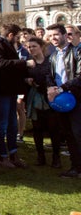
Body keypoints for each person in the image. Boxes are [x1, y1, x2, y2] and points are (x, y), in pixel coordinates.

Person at [0, 23, 35, 169]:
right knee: (2, 124)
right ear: (10, 35)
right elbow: (2, 63)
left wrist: (24, 78)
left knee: (12, 123)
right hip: (1, 92)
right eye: (17, 37)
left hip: (10, 90)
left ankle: (13, 153)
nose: (18, 40)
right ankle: (2, 156)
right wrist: (25, 63)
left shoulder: (7, 45)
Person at [45, 23, 81, 178]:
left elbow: (80, 77)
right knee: (68, 134)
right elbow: (49, 76)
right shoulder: (53, 56)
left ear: (66, 35)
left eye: (56, 34)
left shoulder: (77, 52)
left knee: (78, 133)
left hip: (76, 99)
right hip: (60, 102)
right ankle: (75, 167)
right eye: (51, 35)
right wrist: (50, 88)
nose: (53, 38)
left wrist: (62, 88)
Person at [23, 36, 59, 167]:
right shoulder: (28, 63)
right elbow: (23, 79)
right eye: (29, 47)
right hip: (35, 99)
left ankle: (56, 157)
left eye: (34, 46)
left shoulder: (50, 61)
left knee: (53, 128)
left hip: (49, 98)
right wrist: (27, 81)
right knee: (37, 128)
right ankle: (40, 156)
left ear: (41, 47)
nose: (31, 49)